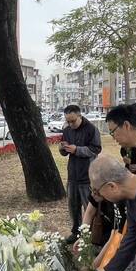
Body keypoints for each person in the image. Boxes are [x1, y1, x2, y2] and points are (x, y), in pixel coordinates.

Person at [59, 104, 102, 244]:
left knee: (89, 206)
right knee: (73, 206)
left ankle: (92, 235)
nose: (70, 124)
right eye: (68, 121)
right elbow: (64, 152)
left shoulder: (91, 129)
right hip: (72, 174)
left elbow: (95, 149)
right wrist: (63, 149)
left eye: (73, 121)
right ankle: (76, 232)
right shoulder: (67, 130)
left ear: (80, 116)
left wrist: (77, 149)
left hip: (87, 175)